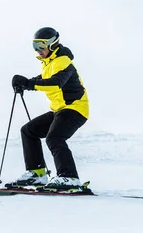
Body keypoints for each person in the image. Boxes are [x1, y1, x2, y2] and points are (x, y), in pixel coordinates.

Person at [7, 27, 89, 190]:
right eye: (34, 46)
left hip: (75, 109)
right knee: (28, 131)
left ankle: (69, 177)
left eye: (41, 46)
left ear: (52, 44)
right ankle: (37, 173)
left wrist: (29, 84)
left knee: (54, 138)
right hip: (59, 110)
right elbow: (43, 79)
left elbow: (55, 82)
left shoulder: (63, 60)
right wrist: (25, 83)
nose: (38, 51)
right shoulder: (49, 63)